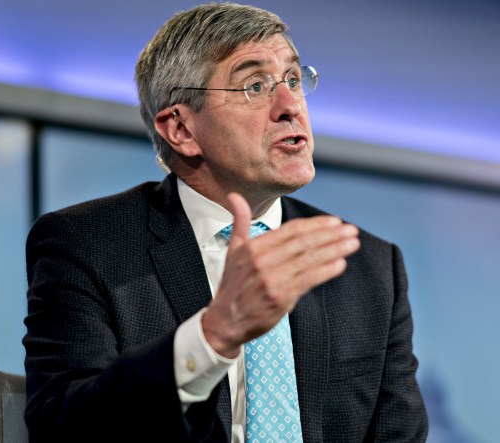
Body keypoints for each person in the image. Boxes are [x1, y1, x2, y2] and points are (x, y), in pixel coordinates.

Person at [22, 2, 428, 442]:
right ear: (181, 129)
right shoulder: (86, 244)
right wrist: (214, 334)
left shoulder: (368, 265)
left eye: (293, 79)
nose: (291, 106)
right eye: (255, 86)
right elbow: (63, 425)